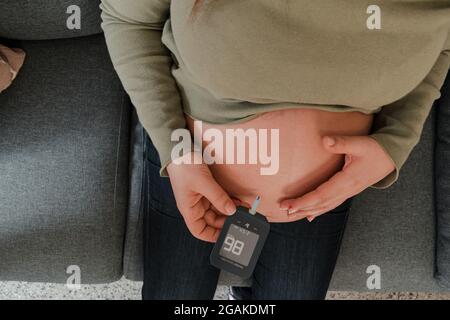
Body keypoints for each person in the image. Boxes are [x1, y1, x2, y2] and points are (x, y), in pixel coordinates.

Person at [100, 0, 450, 299]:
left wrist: (396, 141)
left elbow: (443, 41)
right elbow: (127, 16)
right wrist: (173, 148)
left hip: (318, 199)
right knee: (177, 294)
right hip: (192, 173)